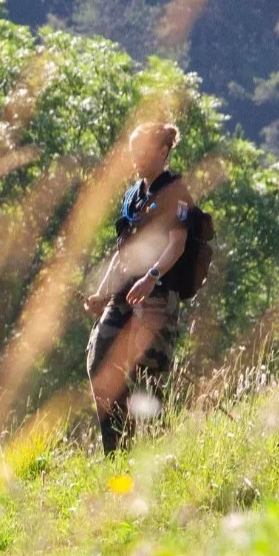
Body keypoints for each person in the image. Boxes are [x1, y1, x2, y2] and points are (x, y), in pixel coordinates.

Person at [84, 121, 196, 454]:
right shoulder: (133, 196)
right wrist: (103, 293)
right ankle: (116, 451)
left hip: (158, 296)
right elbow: (123, 252)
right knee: (99, 361)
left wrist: (152, 277)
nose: (136, 157)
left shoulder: (175, 192)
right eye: (133, 151)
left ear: (163, 152)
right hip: (125, 293)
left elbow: (177, 243)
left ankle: (162, 454)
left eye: (143, 151)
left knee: (151, 378)